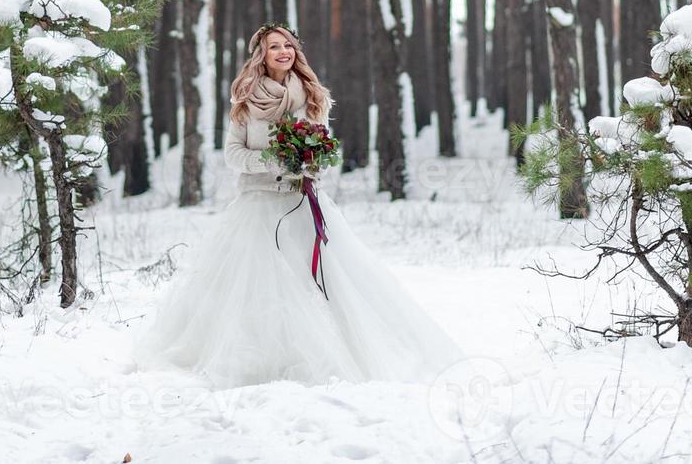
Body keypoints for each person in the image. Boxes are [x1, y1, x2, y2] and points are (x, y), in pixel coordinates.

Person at [132, 22, 466, 388]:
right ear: (262, 54)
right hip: (257, 204)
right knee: (255, 286)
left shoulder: (312, 95)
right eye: (275, 46)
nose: (284, 52)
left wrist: (309, 161)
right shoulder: (245, 100)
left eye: (288, 45)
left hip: (301, 202)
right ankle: (256, 359)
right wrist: (272, 161)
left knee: (325, 282)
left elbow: (323, 145)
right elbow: (232, 154)